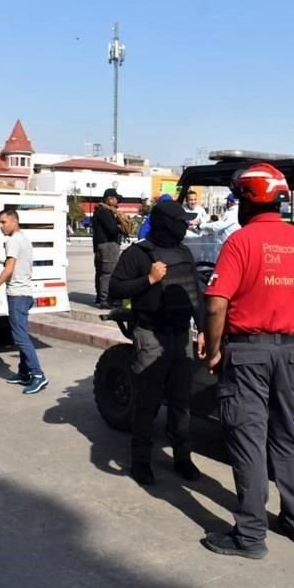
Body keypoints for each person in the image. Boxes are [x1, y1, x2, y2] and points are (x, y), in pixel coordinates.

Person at [202, 162, 294, 560]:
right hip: (288, 352)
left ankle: (250, 537)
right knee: (287, 436)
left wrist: (214, 349)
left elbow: (216, 303)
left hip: (247, 351)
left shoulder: (240, 242)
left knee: (248, 441)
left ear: (248, 201)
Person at [108, 200, 207, 486]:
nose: (185, 226)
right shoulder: (137, 254)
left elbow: (194, 294)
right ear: (165, 223)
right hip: (151, 335)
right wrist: (149, 279)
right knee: (147, 402)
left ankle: (182, 458)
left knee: (180, 402)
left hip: (180, 336)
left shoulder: (184, 252)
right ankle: (141, 462)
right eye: (180, 221)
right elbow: (116, 288)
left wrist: (201, 329)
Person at [0, 208, 48, 395]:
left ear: (14, 221)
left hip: (18, 295)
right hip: (25, 293)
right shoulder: (23, 239)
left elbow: (10, 268)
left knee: (19, 337)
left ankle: (38, 375)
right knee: (22, 333)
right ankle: (24, 373)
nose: (1, 226)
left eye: (4, 222)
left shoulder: (12, 241)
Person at [92, 188, 125, 309]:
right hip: (108, 246)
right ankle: (105, 300)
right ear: (109, 199)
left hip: (101, 246)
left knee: (101, 272)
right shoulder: (105, 212)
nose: (117, 202)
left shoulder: (99, 210)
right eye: (116, 198)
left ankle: (99, 298)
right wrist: (120, 227)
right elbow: (112, 230)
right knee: (108, 273)